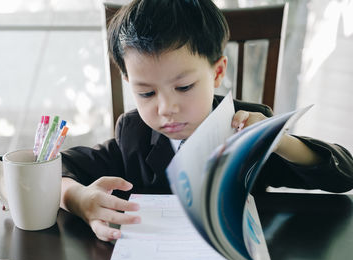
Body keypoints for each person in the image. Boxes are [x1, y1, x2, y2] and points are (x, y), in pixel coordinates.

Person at [60, 0, 353, 242]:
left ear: (217, 72)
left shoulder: (246, 127)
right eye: (146, 92)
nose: (166, 108)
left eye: (184, 87)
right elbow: (55, 166)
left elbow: (344, 175)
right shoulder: (134, 134)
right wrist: (76, 197)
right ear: (128, 82)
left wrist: (277, 140)